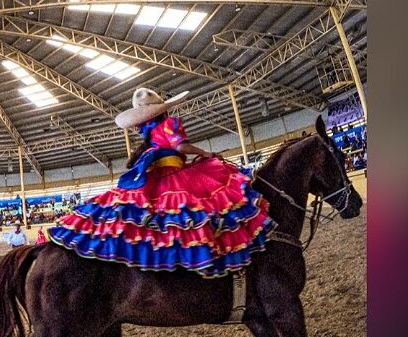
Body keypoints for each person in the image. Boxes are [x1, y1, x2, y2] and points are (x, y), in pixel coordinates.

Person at [46, 88, 272, 277]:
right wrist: (205, 153)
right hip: (174, 174)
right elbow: (180, 147)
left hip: (154, 178)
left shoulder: (150, 135)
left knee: (153, 220)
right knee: (202, 210)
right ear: (163, 110)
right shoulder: (169, 124)